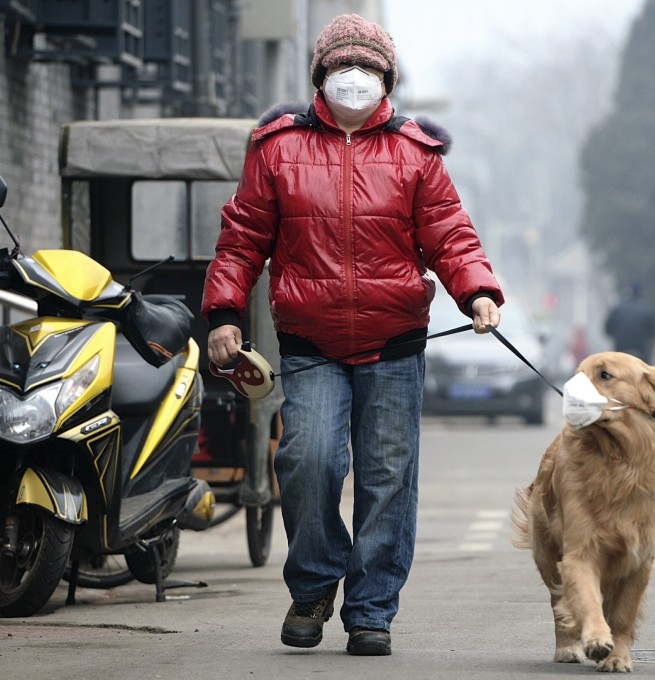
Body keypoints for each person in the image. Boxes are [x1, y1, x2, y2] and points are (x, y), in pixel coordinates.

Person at [201, 13, 503, 656]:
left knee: (387, 476)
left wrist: (476, 291)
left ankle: (371, 610)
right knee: (308, 463)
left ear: (388, 77)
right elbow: (243, 236)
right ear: (321, 73)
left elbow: (451, 235)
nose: (355, 77)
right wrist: (224, 314)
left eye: (368, 67)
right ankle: (312, 587)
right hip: (310, 344)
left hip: (394, 344)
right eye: (343, 66)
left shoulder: (416, 153)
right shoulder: (277, 145)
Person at [604, 283, 655, 360]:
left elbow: (607, 330)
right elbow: (653, 332)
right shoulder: (647, 310)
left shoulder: (616, 310)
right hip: (639, 353)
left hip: (620, 352)